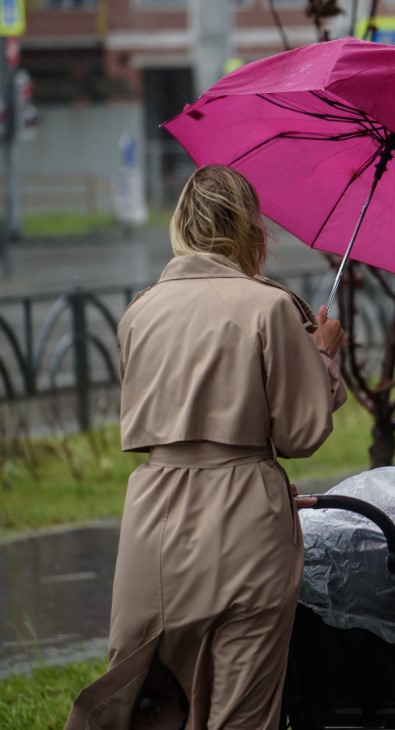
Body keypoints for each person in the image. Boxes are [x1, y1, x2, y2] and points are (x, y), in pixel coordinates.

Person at [66, 165, 347, 730]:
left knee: (150, 706)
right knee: (241, 711)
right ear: (251, 231)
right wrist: (322, 356)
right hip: (245, 517)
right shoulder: (269, 306)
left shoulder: (139, 310)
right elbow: (299, 433)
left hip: (153, 521)